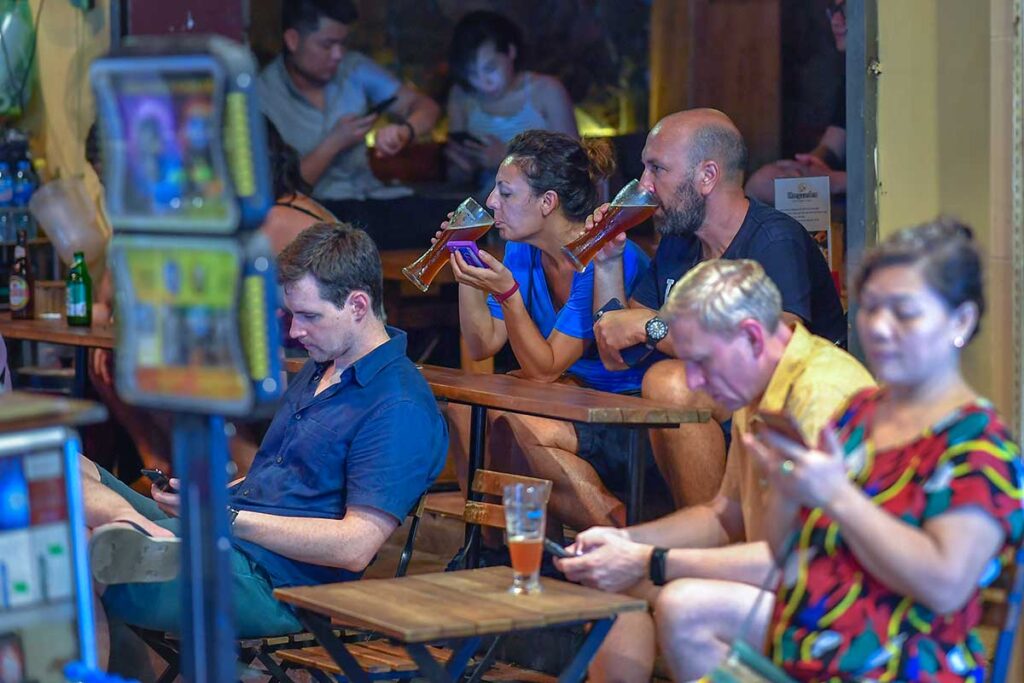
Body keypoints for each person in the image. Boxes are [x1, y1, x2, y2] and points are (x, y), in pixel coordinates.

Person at [84, 223, 448, 665]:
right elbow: (280, 483)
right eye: (291, 315)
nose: (295, 331)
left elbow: (355, 548)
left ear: (357, 305)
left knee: (78, 558)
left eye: (309, 316)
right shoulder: (324, 364)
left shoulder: (398, 405)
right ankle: (141, 531)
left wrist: (228, 516)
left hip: (274, 585)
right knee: (66, 468)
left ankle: (140, 541)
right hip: (227, 541)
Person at [556, 258, 873, 683]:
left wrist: (649, 559)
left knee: (686, 606)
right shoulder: (758, 382)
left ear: (751, 336)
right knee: (610, 576)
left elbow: (802, 560)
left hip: (845, 606)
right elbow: (724, 515)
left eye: (702, 362)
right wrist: (624, 542)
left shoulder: (823, 394)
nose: (693, 380)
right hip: (785, 586)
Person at [744, 218, 1023, 682]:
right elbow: (780, 549)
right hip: (798, 663)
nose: (879, 327)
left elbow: (945, 584)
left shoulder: (979, 442)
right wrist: (787, 490)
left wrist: (838, 497)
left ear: (961, 321)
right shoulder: (858, 412)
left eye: (904, 312)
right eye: (870, 308)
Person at [589, 108, 847, 509]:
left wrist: (653, 327)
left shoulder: (776, 240)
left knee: (669, 384)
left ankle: (716, 545)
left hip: (793, 425)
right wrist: (606, 263)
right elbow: (616, 352)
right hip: (714, 417)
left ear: (707, 176)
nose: (644, 184)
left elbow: (778, 348)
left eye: (657, 169)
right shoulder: (679, 242)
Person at [445, 130, 652, 531]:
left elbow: (545, 367)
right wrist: (466, 269)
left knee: (513, 423)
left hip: (623, 409)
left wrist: (507, 293)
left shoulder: (604, 255)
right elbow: (483, 342)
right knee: (463, 410)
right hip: (567, 394)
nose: (490, 203)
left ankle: (612, 534)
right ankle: (490, 547)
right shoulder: (523, 248)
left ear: (548, 202)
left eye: (505, 193)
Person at [258, 0, 442, 245]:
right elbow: (281, 188)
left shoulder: (353, 68)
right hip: (317, 210)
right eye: (327, 45)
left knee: (445, 228)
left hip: (372, 200)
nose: (338, 55)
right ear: (292, 40)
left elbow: (426, 107)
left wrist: (405, 131)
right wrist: (334, 143)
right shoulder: (263, 94)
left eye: (342, 43)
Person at [445, 11, 578, 191]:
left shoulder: (546, 90)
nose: (483, 82)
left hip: (544, 201)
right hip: (486, 202)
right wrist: (463, 167)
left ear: (510, 51)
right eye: (473, 74)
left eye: (490, 68)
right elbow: (456, 175)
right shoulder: (462, 95)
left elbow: (574, 163)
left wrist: (508, 158)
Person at [745, 0, 847, 204]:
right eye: (833, 11)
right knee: (764, 181)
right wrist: (807, 165)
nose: (836, 22)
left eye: (846, 11)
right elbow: (833, 145)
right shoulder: (851, 78)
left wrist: (836, 182)